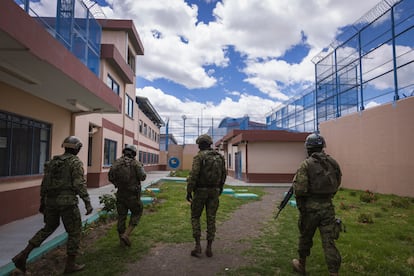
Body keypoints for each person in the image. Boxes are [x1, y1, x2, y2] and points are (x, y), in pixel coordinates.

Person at [12, 136, 93, 274]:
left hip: (51, 201)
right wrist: (87, 202)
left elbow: (44, 184)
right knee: (74, 231)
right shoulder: (75, 163)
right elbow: (79, 184)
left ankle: (23, 255)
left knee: (47, 228)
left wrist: (43, 202)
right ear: (77, 148)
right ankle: (70, 264)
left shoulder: (52, 162)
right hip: (67, 203)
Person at [291, 133, 342, 276]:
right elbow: (337, 182)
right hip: (328, 208)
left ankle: (301, 265)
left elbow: (300, 190)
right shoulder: (333, 162)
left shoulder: (306, 164)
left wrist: (302, 207)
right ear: (322, 147)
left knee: (305, 237)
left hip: (310, 210)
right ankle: (334, 273)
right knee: (329, 242)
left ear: (308, 148)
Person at [186, 134, 227, 257]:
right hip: (214, 191)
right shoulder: (219, 157)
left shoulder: (199, 157)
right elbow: (224, 175)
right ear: (210, 144)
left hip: (200, 191)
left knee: (195, 217)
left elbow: (194, 175)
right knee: (211, 218)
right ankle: (209, 247)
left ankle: (197, 246)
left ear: (199, 145)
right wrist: (220, 188)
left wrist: (189, 191)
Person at [108, 144, 146, 247]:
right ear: (134, 153)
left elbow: (110, 177)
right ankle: (126, 234)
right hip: (133, 195)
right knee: (137, 212)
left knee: (121, 217)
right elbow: (143, 177)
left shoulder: (117, 163)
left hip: (120, 194)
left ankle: (121, 242)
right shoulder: (136, 164)